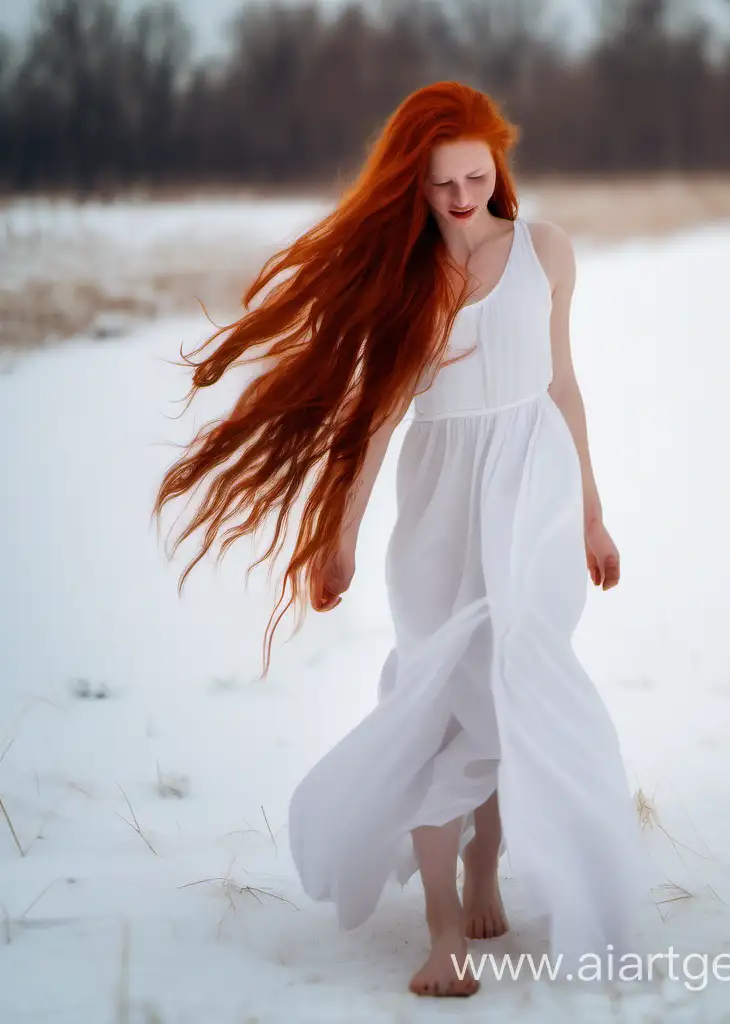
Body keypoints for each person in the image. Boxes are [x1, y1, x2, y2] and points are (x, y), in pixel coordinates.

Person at [153, 81, 651, 998]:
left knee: (518, 683)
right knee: (438, 696)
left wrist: (591, 510)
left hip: (532, 490)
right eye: (440, 184)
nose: (463, 196)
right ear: (409, 188)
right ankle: (443, 926)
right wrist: (337, 537)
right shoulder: (409, 284)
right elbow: (375, 423)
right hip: (441, 504)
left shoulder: (546, 252)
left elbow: (564, 384)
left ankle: (487, 869)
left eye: (476, 174)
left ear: (498, 165)